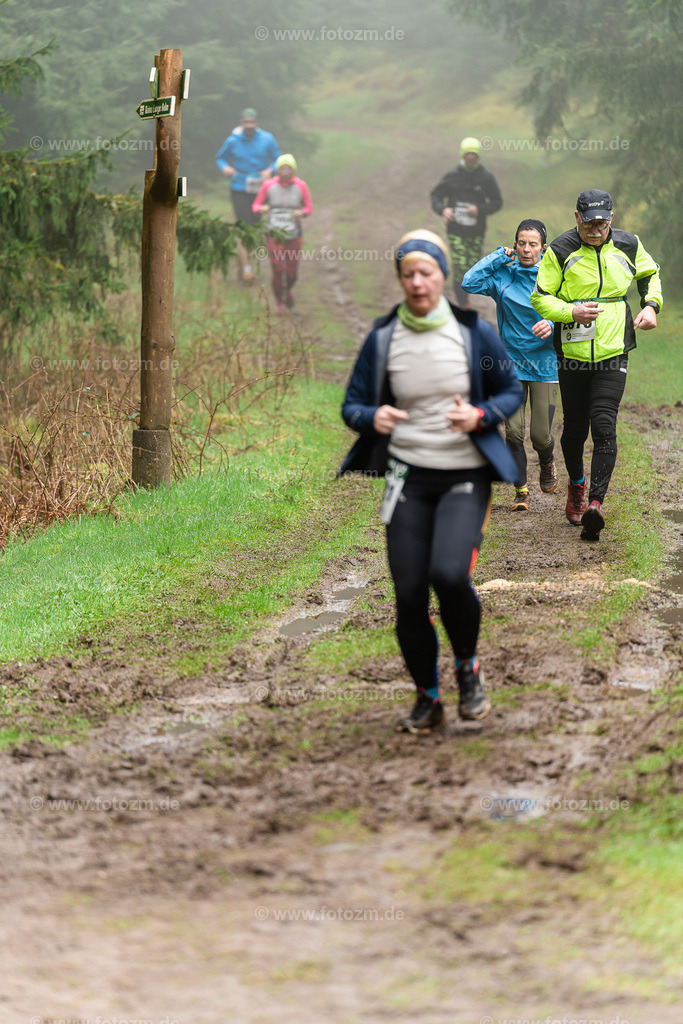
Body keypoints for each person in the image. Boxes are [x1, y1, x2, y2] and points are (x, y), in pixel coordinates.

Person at [339, 230, 523, 733]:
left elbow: (510, 390)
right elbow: (352, 404)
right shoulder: (383, 338)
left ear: (442, 276)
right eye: (409, 274)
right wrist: (370, 416)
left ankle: (468, 668)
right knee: (409, 593)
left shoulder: (472, 332)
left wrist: (482, 414)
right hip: (408, 479)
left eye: (427, 273)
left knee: (448, 574)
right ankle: (427, 696)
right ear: (400, 280)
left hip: (465, 475)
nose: (418, 282)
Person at [531, 189, 662, 541]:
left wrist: (651, 306)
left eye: (602, 223)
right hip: (572, 357)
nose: (595, 229)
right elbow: (540, 297)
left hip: (613, 351)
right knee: (575, 428)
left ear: (611, 219)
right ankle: (576, 484)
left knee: (604, 423)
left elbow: (649, 274)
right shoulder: (560, 250)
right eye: (588, 223)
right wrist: (570, 311)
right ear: (577, 218)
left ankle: (595, 505)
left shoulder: (629, 244)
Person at [462, 219, 558, 511]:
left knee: (540, 435)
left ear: (543, 247)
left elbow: (572, 308)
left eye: (533, 244)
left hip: (545, 366)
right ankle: (521, 493)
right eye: (521, 243)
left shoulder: (554, 278)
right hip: (510, 367)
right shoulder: (503, 276)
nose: (526, 249)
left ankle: (547, 461)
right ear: (514, 245)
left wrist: (552, 322)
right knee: (513, 433)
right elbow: (469, 281)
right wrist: (496, 256)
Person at [430, 137, 503, 306]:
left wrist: (480, 209)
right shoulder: (452, 176)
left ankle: (465, 299)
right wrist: (443, 209)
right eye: (467, 155)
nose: (470, 158)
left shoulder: (486, 177)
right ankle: (463, 305)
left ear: (478, 156)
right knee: (460, 266)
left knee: (472, 268)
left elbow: (497, 202)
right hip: (455, 229)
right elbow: (436, 196)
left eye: (474, 155)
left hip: (476, 231)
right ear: (462, 156)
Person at [215, 108, 280, 283]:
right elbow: (220, 158)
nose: (249, 125)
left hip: (260, 187)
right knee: (244, 227)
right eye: (246, 122)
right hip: (239, 187)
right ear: (241, 123)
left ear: (257, 123)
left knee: (255, 227)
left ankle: (245, 261)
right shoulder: (233, 140)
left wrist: (270, 170)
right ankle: (246, 269)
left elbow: (278, 158)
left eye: (252, 122)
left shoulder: (267, 138)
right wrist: (225, 168)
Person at [252, 154, 312, 312]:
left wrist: (302, 213)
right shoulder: (268, 185)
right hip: (274, 234)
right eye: (282, 168)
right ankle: (280, 301)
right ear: (277, 170)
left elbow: (309, 208)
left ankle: (289, 290)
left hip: (294, 234)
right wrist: (262, 208)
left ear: (294, 170)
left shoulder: (301, 185)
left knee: (292, 270)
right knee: (278, 268)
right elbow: (256, 205)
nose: (285, 172)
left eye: (288, 168)